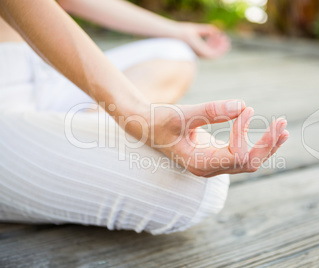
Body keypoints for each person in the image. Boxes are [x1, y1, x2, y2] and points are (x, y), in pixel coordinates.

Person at [0, 0, 289, 235]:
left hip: (41, 65)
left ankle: (84, 128)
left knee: (175, 52)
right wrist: (136, 113)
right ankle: (76, 138)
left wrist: (176, 30)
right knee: (197, 187)